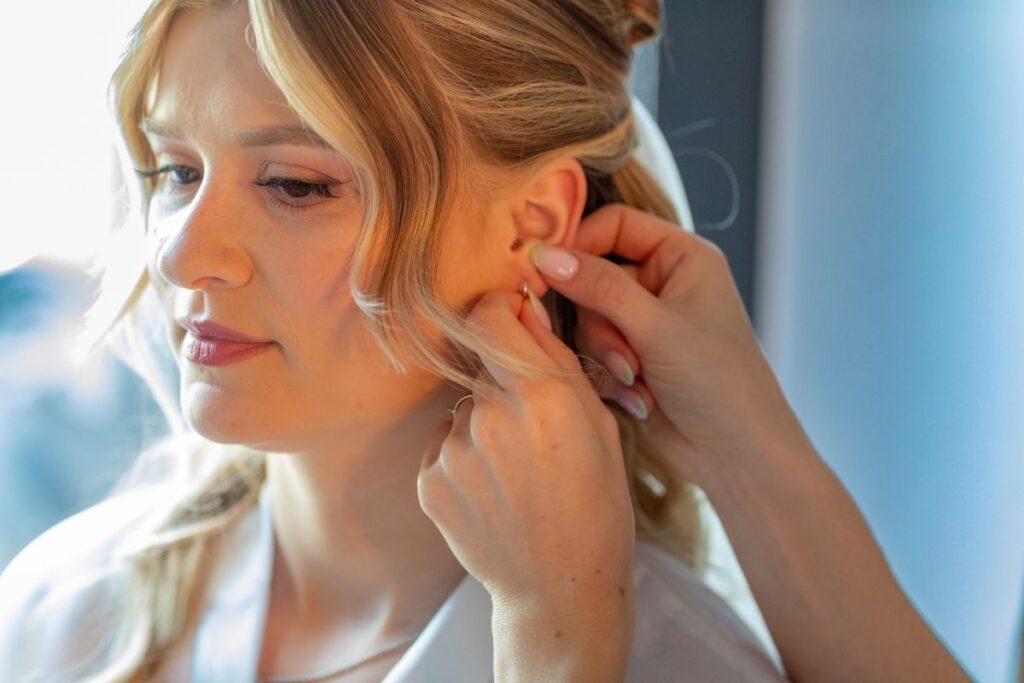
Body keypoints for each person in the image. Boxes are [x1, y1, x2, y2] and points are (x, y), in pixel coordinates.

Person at [0, 0, 788, 682]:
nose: (179, 253)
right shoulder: (61, 614)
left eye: (294, 185)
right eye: (176, 171)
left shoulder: (680, 664)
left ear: (533, 225)